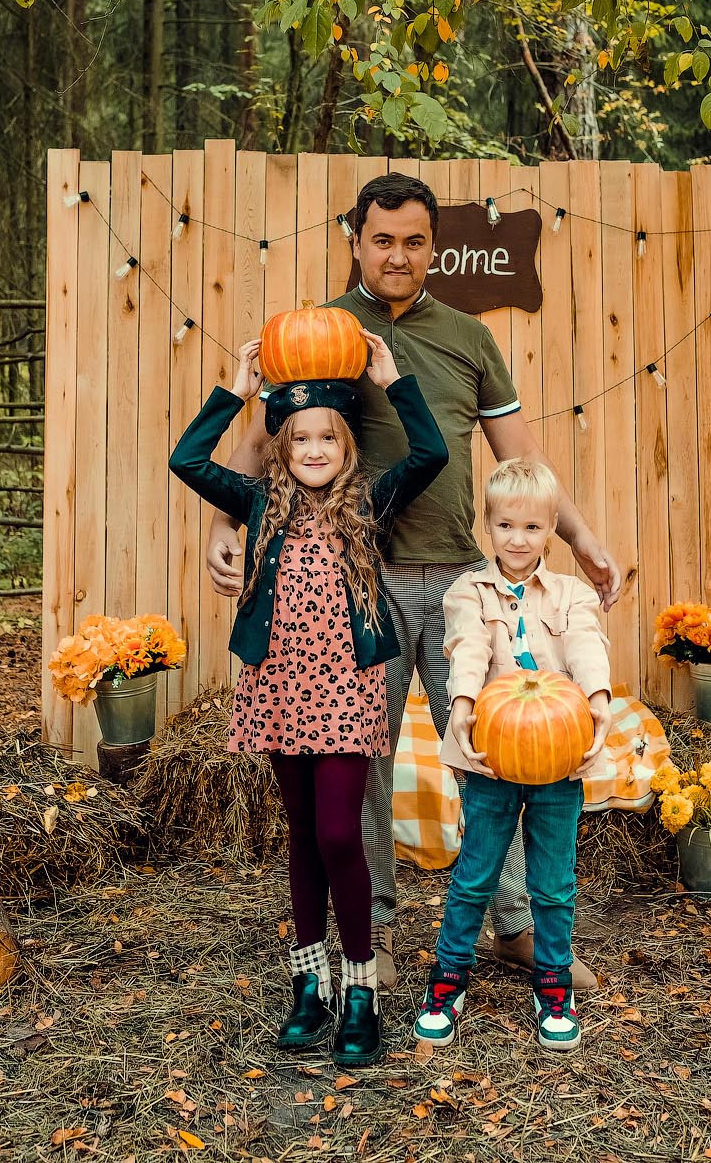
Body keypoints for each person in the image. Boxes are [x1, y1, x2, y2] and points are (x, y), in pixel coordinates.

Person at [206, 173, 621, 991]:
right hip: (358, 583)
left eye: (414, 240)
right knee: (360, 759)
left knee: (501, 753)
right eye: (382, 238)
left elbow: (522, 463)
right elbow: (261, 453)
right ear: (354, 238)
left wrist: (581, 537)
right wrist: (224, 528)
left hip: (467, 582)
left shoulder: (468, 337)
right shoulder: (316, 335)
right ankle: (377, 933)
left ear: (434, 244)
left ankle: (511, 925)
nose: (398, 255)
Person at [169, 333, 448, 1067]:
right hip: (278, 688)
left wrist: (396, 380)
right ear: (280, 445)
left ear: (347, 444)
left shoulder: (369, 503)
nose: (316, 448)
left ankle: (362, 990)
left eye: (329, 436)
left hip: (347, 692)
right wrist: (236, 387)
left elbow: (431, 455)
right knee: (299, 838)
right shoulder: (258, 501)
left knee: (336, 835)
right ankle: (309, 986)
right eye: (301, 438)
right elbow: (186, 461)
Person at [413, 459, 612, 1052]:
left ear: (552, 528)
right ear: (488, 528)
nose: (517, 540)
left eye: (531, 528)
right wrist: (465, 703)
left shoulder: (573, 594)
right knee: (474, 875)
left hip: (557, 761)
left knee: (553, 883)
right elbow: (468, 646)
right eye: (505, 527)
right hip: (492, 758)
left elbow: (584, 643)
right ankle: (448, 980)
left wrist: (597, 697)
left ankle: (553, 982)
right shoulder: (468, 591)